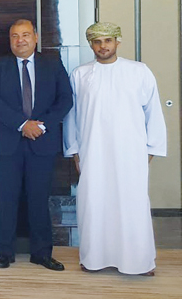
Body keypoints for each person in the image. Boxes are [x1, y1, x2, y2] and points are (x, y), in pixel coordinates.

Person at [64, 22, 167, 276]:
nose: (103, 46)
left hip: (130, 152)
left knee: (131, 204)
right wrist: (74, 151)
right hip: (92, 152)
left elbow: (152, 111)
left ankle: (140, 261)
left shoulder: (139, 71)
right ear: (91, 45)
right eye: (97, 42)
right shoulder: (80, 74)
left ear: (117, 42)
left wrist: (150, 150)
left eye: (107, 41)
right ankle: (94, 258)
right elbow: (71, 116)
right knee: (94, 203)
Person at [0, 19, 72, 271]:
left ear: (35, 37)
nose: (20, 40)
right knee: (6, 199)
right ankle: (4, 252)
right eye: (14, 36)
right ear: (9, 40)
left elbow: (65, 99)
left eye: (25, 35)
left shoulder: (52, 63)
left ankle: (42, 253)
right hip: (8, 144)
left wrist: (41, 125)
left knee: (38, 199)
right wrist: (23, 124)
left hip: (42, 143)